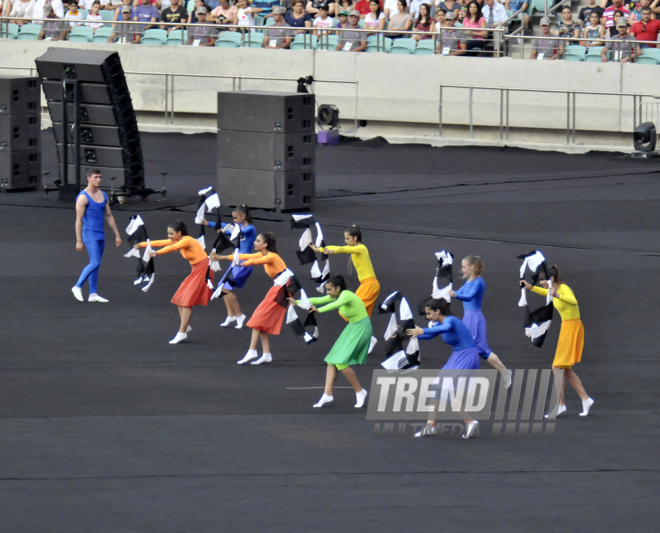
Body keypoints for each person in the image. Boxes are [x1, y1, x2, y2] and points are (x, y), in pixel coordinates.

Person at [520, 265, 594, 418]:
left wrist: (558, 296)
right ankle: (585, 399)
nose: (541, 282)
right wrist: (530, 287)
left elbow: (573, 301)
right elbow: (546, 292)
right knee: (564, 369)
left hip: (572, 328)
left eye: (542, 280)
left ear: (551, 279)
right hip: (566, 327)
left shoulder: (564, 289)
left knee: (556, 368)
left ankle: (560, 405)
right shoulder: (553, 289)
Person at [292, 275, 371, 409]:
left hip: (362, 328)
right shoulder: (337, 294)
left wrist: (319, 310)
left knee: (341, 362)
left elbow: (335, 305)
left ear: (338, 288)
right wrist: (297, 302)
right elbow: (318, 299)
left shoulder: (346, 295)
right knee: (331, 360)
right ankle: (327, 394)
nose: (328, 293)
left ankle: (360, 391)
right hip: (352, 327)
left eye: (329, 290)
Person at [407, 299, 480, 439]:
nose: (427, 317)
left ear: (438, 311)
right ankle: (430, 426)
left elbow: (444, 329)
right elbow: (429, 335)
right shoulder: (440, 323)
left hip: (467, 356)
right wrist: (406, 334)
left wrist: (422, 329)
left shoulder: (450, 321)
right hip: (458, 355)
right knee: (436, 388)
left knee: (444, 390)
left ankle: (470, 422)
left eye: (429, 313)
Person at [135, 221, 213, 344]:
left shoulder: (186, 240)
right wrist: (142, 244)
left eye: (171, 233)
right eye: (168, 233)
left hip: (204, 270)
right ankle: (185, 325)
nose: (169, 236)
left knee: (187, 302)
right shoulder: (178, 240)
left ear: (179, 233)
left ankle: (182, 333)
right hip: (196, 270)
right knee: (178, 298)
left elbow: (172, 248)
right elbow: (162, 242)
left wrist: (157, 253)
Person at [448, 256, 511, 387]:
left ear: (472, 267)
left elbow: (469, 296)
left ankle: (463, 378)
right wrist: (440, 293)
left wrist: (454, 295)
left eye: (464, 267)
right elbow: (458, 293)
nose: (462, 269)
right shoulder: (469, 281)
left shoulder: (478, 282)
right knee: (480, 350)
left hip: (474, 319)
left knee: (472, 348)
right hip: (468, 318)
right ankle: (504, 371)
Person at [233, 233, 289, 366]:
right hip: (280, 286)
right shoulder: (264, 254)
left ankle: (252, 350)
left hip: (283, 288)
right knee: (262, 320)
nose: (254, 242)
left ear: (265, 244)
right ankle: (266, 354)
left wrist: (242, 264)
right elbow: (247, 256)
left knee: (258, 318)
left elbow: (254, 261)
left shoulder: (271, 256)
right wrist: (221, 257)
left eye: (257, 241)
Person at [72, 168, 122, 304]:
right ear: (88, 178)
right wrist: (78, 240)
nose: (98, 180)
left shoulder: (103, 195)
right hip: (89, 234)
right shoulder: (83, 197)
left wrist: (117, 235)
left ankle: (93, 293)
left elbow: (109, 216)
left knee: (96, 265)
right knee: (95, 262)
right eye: (95, 177)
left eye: (100, 177)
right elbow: (78, 220)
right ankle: (77, 286)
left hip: (100, 235)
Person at [312, 225, 380, 318]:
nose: (345, 241)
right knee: (363, 315)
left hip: (370, 285)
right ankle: (363, 331)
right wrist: (318, 249)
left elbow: (344, 249)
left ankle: (361, 330)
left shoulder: (362, 248)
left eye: (347, 238)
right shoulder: (355, 248)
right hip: (365, 285)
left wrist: (331, 252)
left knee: (351, 310)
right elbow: (339, 247)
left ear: (355, 237)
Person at [206, 205, 257, 329]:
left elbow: (235, 232)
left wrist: (225, 231)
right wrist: (207, 223)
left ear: (243, 216)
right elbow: (228, 226)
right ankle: (231, 315)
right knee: (222, 287)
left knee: (227, 289)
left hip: (243, 262)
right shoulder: (239, 226)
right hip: (236, 260)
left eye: (235, 218)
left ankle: (240, 316)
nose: (233, 220)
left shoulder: (250, 228)